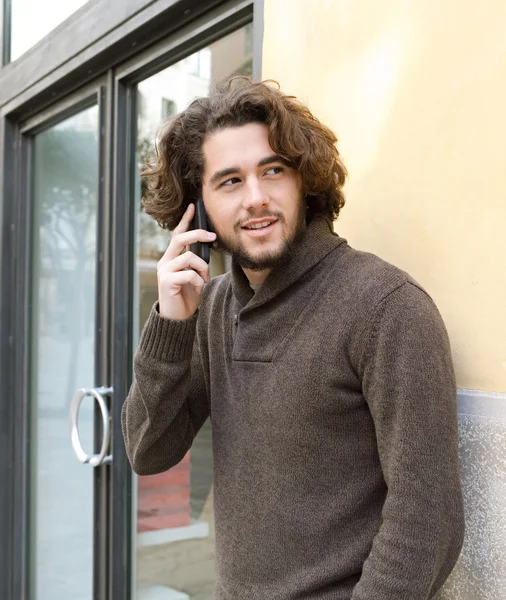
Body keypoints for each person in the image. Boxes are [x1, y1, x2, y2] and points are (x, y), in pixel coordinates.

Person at [122, 77, 465, 599]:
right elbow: (148, 450)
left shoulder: (386, 307)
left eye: (273, 170)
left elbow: (429, 521)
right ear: (200, 206)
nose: (256, 198)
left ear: (305, 180)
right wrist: (170, 326)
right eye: (230, 181)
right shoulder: (210, 307)